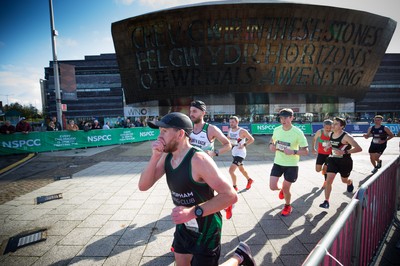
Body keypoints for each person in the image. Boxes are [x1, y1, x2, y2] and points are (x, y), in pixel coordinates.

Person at [139, 112, 238, 266]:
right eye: (160, 131)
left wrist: (192, 212)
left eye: (164, 131)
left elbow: (230, 196)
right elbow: (143, 186)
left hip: (207, 228)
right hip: (184, 225)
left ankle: (238, 258)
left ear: (180, 134)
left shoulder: (198, 159)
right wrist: (154, 157)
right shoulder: (167, 157)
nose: (160, 136)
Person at [189, 100, 233, 219]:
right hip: (191, 166)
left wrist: (214, 152)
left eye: (194, 111)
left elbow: (227, 144)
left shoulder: (211, 129)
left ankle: (224, 205)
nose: (191, 114)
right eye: (190, 111)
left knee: (208, 196)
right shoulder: (188, 127)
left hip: (206, 167)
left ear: (203, 113)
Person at [269, 108, 309, 216]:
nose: (283, 120)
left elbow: (306, 151)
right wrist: (271, 146)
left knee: (287, 188)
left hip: (291, 165)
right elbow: (272, 140)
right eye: (281, 118)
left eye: (286, 117)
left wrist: (293, 151)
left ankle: (287, 205)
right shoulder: (277, 130)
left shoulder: (298, 132)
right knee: (272, 187)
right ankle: (282, 190)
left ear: (292, 118)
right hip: (278, 162)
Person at [319, 117, 362, 209]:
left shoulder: (347, 137)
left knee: (344, 180)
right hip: (333, 160)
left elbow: (359, 149)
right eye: (333, 123)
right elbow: (332, 144)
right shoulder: (331, 134)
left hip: (345, 162)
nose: (332, 125)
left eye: (335, 124)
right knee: (328, 181)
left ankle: (349, 182)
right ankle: (326, 201)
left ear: (342, 126)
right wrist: (328, 147)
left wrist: (344, 152)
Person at [227, 116, 255, 191]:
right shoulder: (230, 130)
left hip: (240, 153)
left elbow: (251, 139)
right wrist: (229, 142)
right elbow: (228, 138)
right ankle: (249, 180)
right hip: (234, 152)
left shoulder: (242, 131)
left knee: (231, 171)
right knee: (241, 169)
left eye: (233, 122)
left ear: (237, 122)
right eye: (230, 122)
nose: (231, 124)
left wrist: (244, 145)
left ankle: (234, 187)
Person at [312, 119, 333, 188]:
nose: (328, 129)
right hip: (321, 153)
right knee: (318, 170)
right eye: (327, 128)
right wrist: (313, 148)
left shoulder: (333, 132)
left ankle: (326, 182)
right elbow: (314, 139)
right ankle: (323, 170)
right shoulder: (319, 132)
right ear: (323, 126)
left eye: (330, 128)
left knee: (326, 169)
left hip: (330, 154)